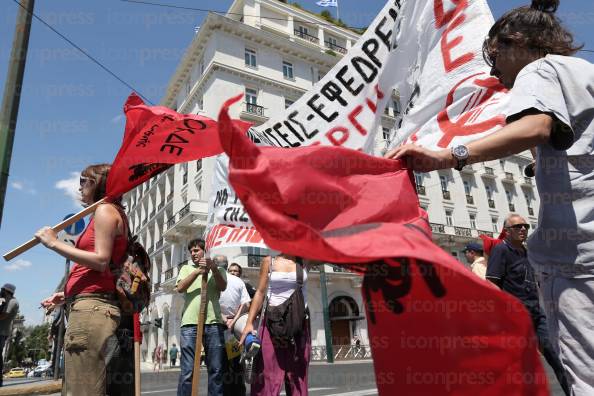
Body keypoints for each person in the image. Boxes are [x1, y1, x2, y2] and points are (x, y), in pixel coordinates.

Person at [386, 1, 594, 392]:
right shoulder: (583, 72)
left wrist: (451, 154)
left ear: (517, 43)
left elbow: (536, 125)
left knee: (585, 376)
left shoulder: (539, 69)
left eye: (495, 58)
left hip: (577, 255)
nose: (494, 73)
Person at [37, 164, 128, 396]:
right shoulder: (105, 211)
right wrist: (67, 294)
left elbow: (100, 260)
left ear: (97, 183)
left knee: (83, 390)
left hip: (91, 311)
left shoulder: (105, 210)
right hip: (87, 305)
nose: (79, 186)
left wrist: (53, 243)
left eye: (83, 180)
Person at [486, 214, 568, 393]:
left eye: (525, 226)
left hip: (537, 315)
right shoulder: (501, 250)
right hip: (515, 319)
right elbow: (492, 283)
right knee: (523, 367)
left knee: (556, 356)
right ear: (506, 231)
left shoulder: (527, 252)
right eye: (518, 227)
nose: (523, 229)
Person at [239, 254, 310, 396]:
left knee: (297, 374)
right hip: (272, 322)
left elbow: (330, 255)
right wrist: (249, 323)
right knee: (267, 373)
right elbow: (260, 292)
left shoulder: (305, 259)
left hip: (298, 323)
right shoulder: (269, 261)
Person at [175, 239, 227, 396]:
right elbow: (180, 287)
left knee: (216, 369)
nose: (193, 253)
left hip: (213, 322)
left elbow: (222, 286)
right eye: (191, 251)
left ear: (205, 251)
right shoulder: (186, 268)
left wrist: (213, 269)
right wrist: (197, 272)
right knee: (187, 370)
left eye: (196, 250)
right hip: (190, 324)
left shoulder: (218, 269)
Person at [215, 255, 251, 396]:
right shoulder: (237, 282)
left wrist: (228, 320)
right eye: (232, 270)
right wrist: (231, 320)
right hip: (228, 327)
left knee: (227, 363)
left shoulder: (240, 283)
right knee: (229, 363)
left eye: (236, 271)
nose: (234, 273)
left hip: (225, 328)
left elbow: (248, 303)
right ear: (227, 268)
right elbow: (246, 304)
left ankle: (230, 392)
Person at [0, 283, 19, 388]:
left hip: (2, 332)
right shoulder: (4, 300)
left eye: (3, 290)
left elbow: (4, 315)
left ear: (7, 291)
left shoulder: (12, 302)